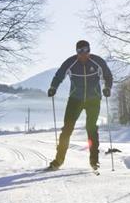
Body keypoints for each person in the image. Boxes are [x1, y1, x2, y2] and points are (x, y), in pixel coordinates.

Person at [46, 39, 113, 171]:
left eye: (86, 50)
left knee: (91, 128)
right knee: (67, 130)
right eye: (80, 51)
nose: (84, 54)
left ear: (89, 50)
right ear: (76, 52)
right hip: (75, 100)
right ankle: (58, 161)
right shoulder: (70, 62)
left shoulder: (97, 61)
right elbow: (59, 75)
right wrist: (53, 87)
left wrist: (107, 88)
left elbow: (108, 76)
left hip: (93, 100)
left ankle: (94, 161)